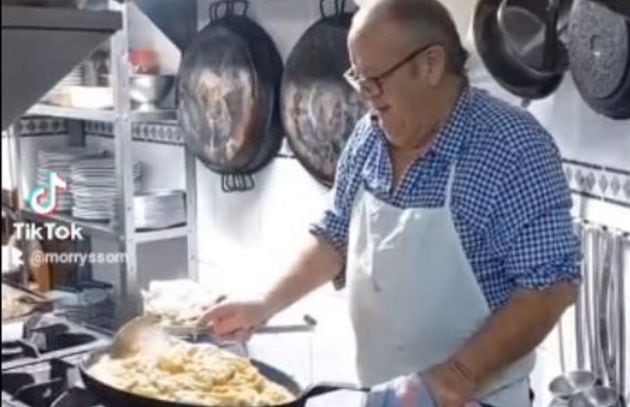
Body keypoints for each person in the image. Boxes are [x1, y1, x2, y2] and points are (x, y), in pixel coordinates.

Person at [199, 0, 581, 405]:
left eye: (375, 80)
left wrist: (458, 376)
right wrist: (263, 304)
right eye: (358, 79)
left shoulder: (512, 148)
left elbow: (550, 288)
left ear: (430, 64)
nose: (366, 97)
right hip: (383, 393)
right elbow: (334, 235)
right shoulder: (368, 137)